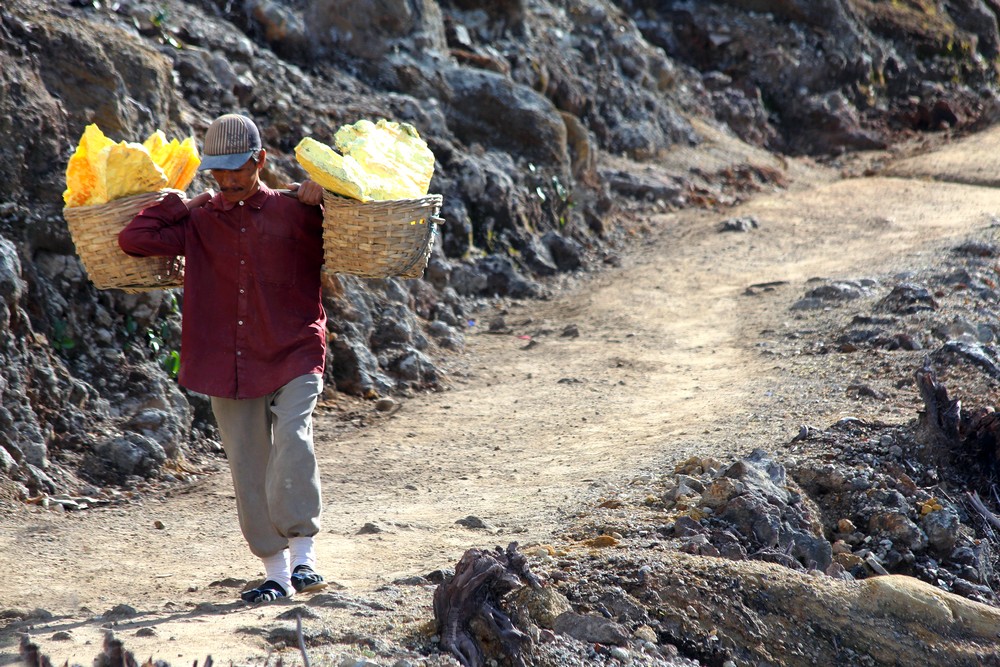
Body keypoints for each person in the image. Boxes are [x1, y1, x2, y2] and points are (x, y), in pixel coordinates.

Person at [119, 114, 329, 604]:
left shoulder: (294, 211)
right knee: (248, 464)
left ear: (260, 160)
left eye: (237, 168)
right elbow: (134, 240)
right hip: (227, 361)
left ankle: (304, 559)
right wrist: (179, 201)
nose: (229, 180)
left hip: (294, 349)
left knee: (294, 440)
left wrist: (327, 193)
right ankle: (275, 575)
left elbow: (359, 217)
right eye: (219, 171)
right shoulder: (199, 220)